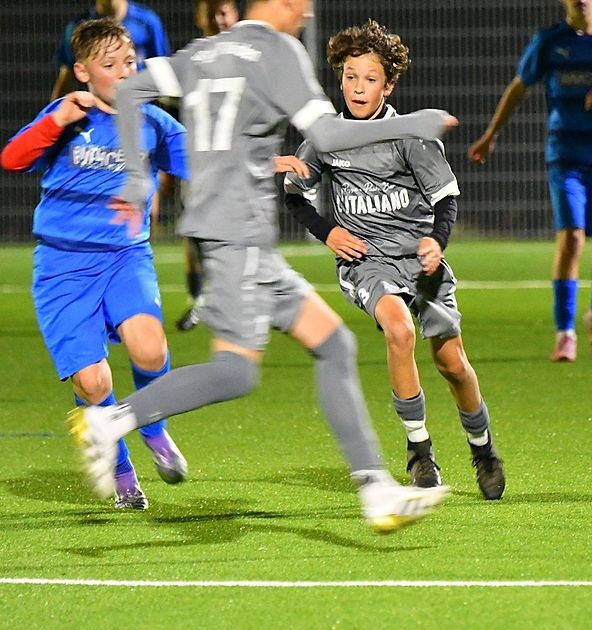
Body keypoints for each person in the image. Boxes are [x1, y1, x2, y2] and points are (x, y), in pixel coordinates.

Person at [67, 0, 458, 534]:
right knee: (236, 371)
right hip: (239, 234)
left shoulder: (207, 50)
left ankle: (375, 489)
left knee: (334, 345)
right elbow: (330, 136)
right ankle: (112, 421)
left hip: (228, 233)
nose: (305, 14)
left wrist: (138, 181)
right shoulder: (278, 50)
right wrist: (418, 122)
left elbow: (132, 88)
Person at [283, 20, 506, 500]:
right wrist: (328, 232)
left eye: (369, 78)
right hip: (367, 263)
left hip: (419, 262)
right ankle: (419, 452)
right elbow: (295, 195)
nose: (358, 87)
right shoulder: (326, 136)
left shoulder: (410, 136)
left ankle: (482, 448)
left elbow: (446, 198)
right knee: (398, 329)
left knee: (453, 364)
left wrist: (436, 242)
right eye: (349, 76)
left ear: (388, 85)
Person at [1, 18, 189, 509]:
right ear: (84, 72)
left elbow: (208, 160)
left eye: (130, 62)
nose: (125, 73)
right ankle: (122, 470)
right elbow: (13, 159)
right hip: (62, 268)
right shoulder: (66, 117)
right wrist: (57, 120)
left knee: (149, 349)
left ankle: (154, 429)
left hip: (124, 258)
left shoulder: (152, 121)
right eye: (111, 66)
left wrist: (265, 163)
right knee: (93, 382)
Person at [468, 0, 592, 362]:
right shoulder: (550, 42)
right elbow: (519, 87)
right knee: (571, 238)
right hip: (565, 155)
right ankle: (565, 332)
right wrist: (491, 134)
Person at [176, 0, 242, 333]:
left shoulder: (249, 57)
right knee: (193, 233)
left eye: (226, 12)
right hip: (199, 162)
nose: (220, 19)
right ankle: (198, 301)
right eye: (214, 12)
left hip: (237, 164)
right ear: (201, 17)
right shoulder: (191, 58)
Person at [51, 0, 169, 100]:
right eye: (108, 64)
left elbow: (162, 69)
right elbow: (66, 75)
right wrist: (55, 116)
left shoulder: (147, 21)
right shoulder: (78, 26)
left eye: (129, 62)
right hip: (96, 107)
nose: (122, 72)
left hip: (138, 103)